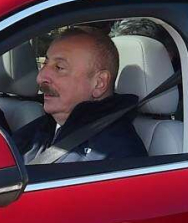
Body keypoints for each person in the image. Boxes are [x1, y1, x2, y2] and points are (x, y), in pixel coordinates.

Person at [11, 27, 146, 164]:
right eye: (45, 64)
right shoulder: (39, 130)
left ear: (99, 83)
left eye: (59, 67)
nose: (40, 78)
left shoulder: (117, 155)